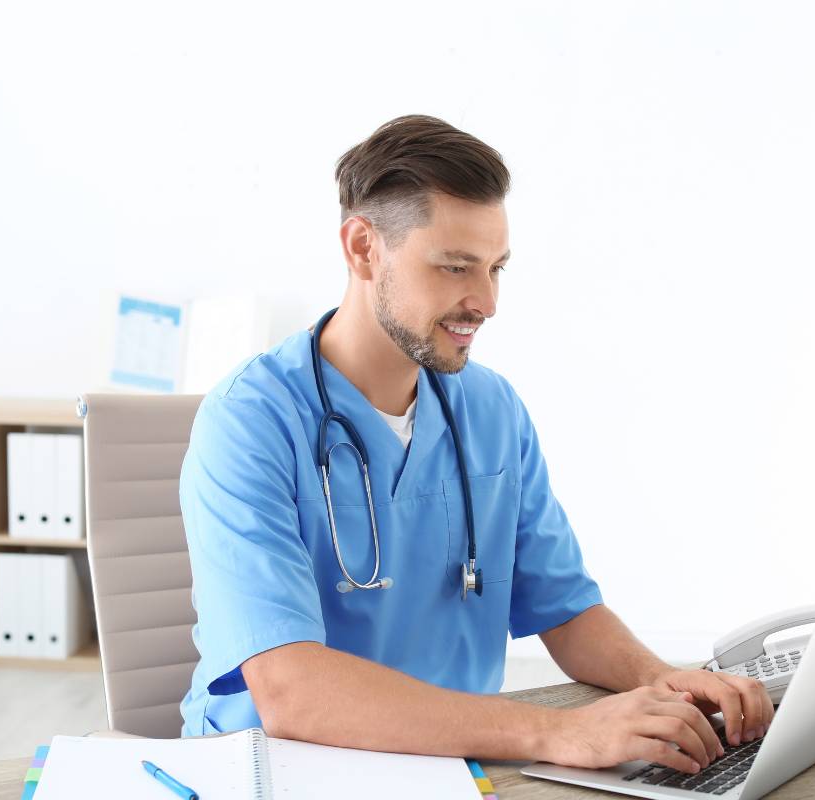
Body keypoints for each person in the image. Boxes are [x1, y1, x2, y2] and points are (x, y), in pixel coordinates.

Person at [177, 114, 773, 775]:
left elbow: (567, 610)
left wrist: (662, 682)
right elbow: (291, 692)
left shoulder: (491, 410)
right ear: (363, 249)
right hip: (276, 769)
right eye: (456, 267)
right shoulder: (249, 422)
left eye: (496, 269)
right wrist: (557, 733)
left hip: (452, 763)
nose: (485, 302)